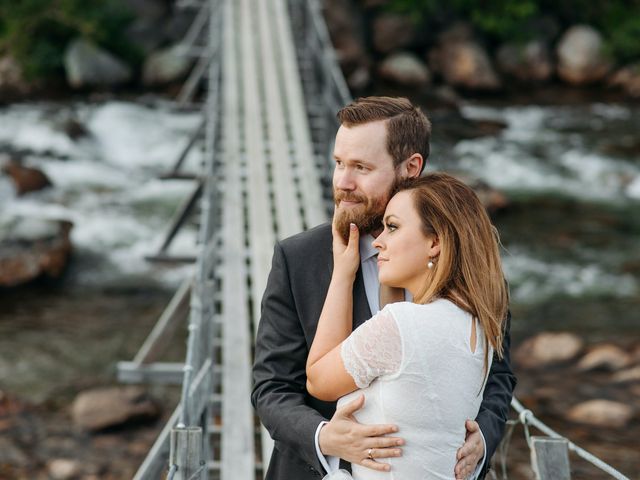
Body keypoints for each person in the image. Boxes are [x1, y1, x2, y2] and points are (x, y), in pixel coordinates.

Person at [251, 96, 516, 480]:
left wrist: (483, 443)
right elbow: (271, 387)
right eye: (339, 163)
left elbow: (498, 375)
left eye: (361, 167)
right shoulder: (299, 258)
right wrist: (325, 438)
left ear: (410, 167)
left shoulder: (473, 269)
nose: (343, 182)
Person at [306, 173, 508, 479]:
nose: (378, 241)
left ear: (435, 242)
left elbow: (318, 381)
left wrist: (343, 273)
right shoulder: (480, 327)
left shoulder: (402, 325)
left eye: (393, 227)